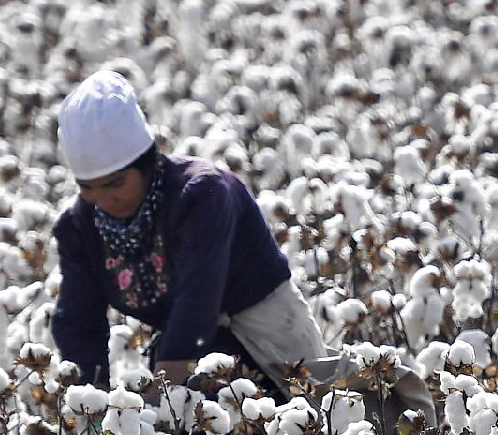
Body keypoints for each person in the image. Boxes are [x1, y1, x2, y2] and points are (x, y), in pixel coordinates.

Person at [50, 69, 330, 394]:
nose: (103, 200)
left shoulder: (202, 194)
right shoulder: (79, 227)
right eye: (88, 188)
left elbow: (198, 298)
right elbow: (79, 324)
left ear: (145, 164)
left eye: (115, 184)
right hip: (186, 357)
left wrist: (160, 400)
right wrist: (92, 413)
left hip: (273, 345)